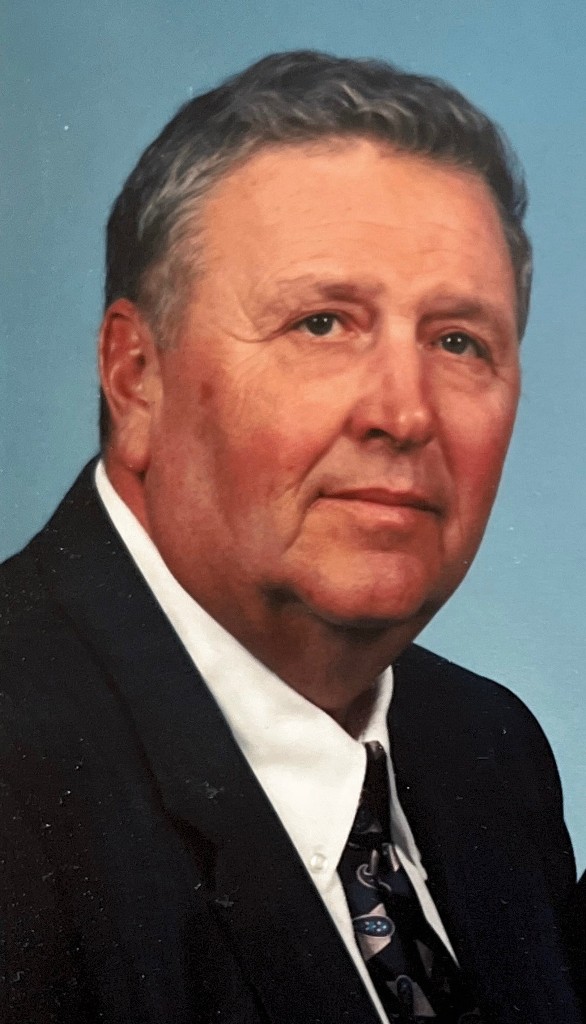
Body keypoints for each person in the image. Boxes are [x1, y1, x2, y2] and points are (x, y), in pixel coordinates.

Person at [0, 50, 582, 1024]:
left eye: (458, 341)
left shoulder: (490, 750)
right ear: (136, 376)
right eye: (322, 323)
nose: (404, 413)